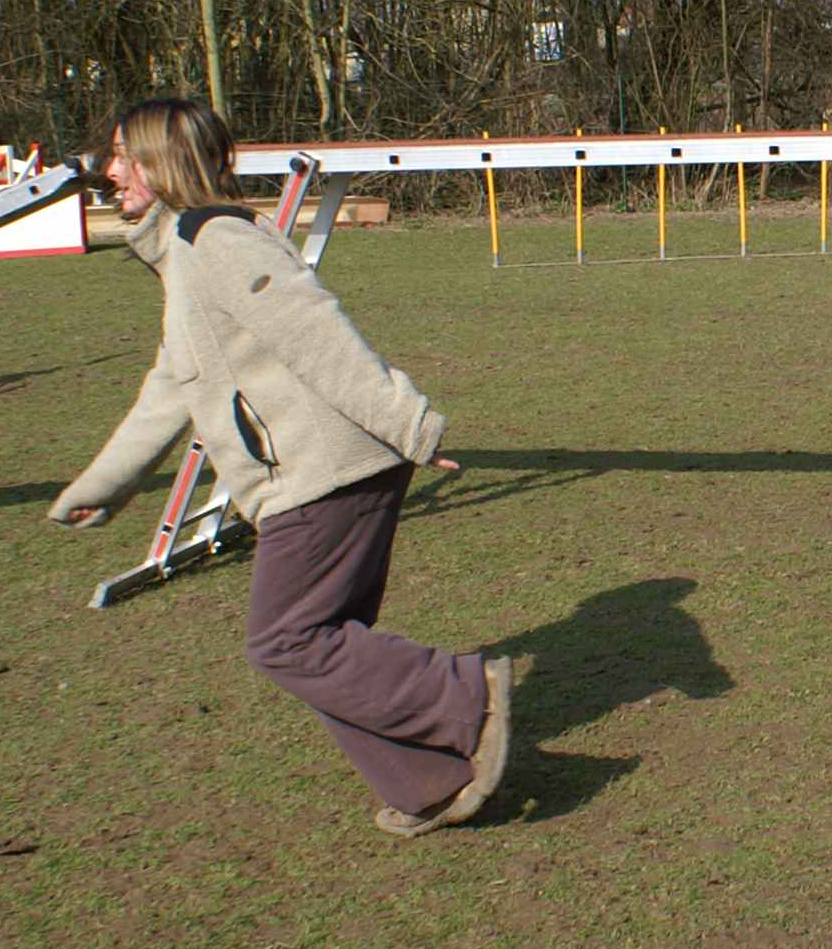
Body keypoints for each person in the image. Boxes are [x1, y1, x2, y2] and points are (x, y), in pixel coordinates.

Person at [49, 96, 511, 836]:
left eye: (123, 156)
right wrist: (103, 485)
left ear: (162, 163)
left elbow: (318, 335)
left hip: (329, 471)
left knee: (287, 642)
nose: (109, 172)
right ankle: (430, 781)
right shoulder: (186, 252)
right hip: (310, 472)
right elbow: (172, 382)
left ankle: (465, 698)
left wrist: (411, 425)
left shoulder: (218, 240)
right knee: (325, 638)